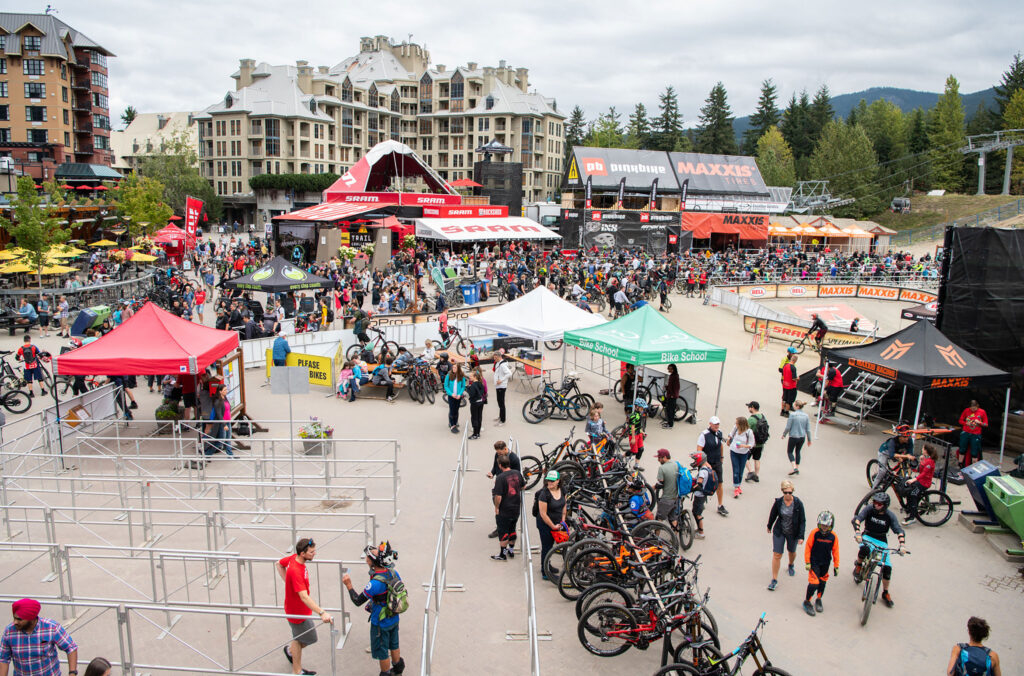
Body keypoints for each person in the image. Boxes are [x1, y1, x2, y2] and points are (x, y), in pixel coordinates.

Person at [343, 542, 405, 676]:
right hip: (394, 617)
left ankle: (386, 672)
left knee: (382, 652)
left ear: (372, 561)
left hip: (380, 622)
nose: (366, 558)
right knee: (394, 644)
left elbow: (357, 600)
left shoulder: (375, 584)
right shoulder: (393, 572)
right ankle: (398, 670)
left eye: (368, 556)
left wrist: (349, 585)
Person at [277, 537, 332, 676]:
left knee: (304, 638)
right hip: (296, 611)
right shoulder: (296, 571)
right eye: (312, 552)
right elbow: (304, 597)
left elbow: (278, 563)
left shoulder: (294, 558)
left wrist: (287, 583)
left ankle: (291, 653)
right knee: (306, 638)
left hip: (300, 609)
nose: (315, 554)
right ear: (303, 553)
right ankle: (297, 670)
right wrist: (321, 612)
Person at [852, 491, 906, 608]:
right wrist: (857, 533)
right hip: (867, 536)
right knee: (864, 549)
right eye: (875, 502)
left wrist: (902, 546)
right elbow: (858, 519)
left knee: (887, 568)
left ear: (885, 505)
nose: (876, 505)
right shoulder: (869, 509)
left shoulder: (890, 516)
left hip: (882, 542)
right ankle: (859, 565)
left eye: (879, 504)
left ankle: (885, 592)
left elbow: (899, 530)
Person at [0, 598, 79, 676]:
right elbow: (3, 659)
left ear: (31, 619)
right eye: (14, 618)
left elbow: (71, 648)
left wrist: (72, 673)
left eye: (19, 619)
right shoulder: (9, 632)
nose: (15, 622)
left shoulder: (52, 627)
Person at [766, 479, 806, 591]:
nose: (787, 495)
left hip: (793, 532)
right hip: (780, 531)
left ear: (792, 491)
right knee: (777, 554)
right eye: (785, 492)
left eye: (790, 492)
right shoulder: (779, 502)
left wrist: (801, 536)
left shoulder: (798, 503)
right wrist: (769, 525)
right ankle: (774, 579)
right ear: (782, 491)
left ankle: (791, 564)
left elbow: (802, 520)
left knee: (792, 552)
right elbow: (773, 513)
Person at [802, 511, 839, 617]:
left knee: (822, 582)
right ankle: (807, 601)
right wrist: (807, 562)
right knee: (814, 583)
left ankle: (818, 599)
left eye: (826, 526)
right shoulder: (814, 533)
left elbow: (836, 551)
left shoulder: (833, 536)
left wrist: (836, 566)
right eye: (822, 525)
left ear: (831, 525)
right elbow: (808, 547)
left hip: (826, 562)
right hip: (814, 562)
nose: (824, 528)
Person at [491, 454, 523, 561]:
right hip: (516, 508)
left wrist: (496, 508)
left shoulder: (500, 478)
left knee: (503, 532)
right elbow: (523, 486)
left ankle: (503, 554)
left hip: (505, 510)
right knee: (512, 529)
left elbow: (498, 496)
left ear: (500, 465)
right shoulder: (517, 473)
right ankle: (511, 550)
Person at [535, 470, 565, 578]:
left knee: (551, 546)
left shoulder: (562, 490)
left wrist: (563, 520)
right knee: (547, 546)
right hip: (545, 524)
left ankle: (547, 564)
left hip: (557, 523)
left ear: (558, 481)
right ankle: (545, 571)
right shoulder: (544, 494)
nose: (550, 483)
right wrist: (553, 526)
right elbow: (543, 514)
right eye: (548, 481)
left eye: (553, 481)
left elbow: (564, 505)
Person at [696, 416, 727, 516]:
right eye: (715, 424)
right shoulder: (704, 435)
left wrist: (722, 457)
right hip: (707, 463)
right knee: (704, 483)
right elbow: (699, 451)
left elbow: (721, 445)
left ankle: (720, 505)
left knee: (720, 483)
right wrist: (704, 463)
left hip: (717, 462)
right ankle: (700, 502)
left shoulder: (719, 433)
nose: (716, 426)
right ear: (710, 424)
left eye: (718, 424)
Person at [901, 444, 937, 526]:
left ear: (926, 451)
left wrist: (914, 479)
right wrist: (921, 461)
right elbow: (919, 470)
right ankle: (909, 509)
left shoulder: (930, 462)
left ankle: (912, 517)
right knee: (908, 491)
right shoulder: (925, 458)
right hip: (920, 480)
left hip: (924, 483)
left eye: (923, 448)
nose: (922, 449)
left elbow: (924, 473)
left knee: (913, 494)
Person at [781, 400, 812, 475]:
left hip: (793, 436)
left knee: (789, 452)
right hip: (802, 437)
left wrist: (784, 434)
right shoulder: (806, 416)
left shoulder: (793, 415)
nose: (793, 406)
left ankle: (794, 467)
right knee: (798, 451)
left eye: (794, 405)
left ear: (797, 406)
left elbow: (788, 427)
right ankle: (797, 468)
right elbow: (808, 429)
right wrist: (809, 439)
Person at [689, 452, 715, 539]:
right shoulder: (707, 467)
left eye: (695, 460)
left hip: (700, 495)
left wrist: (691, 489)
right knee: (696, 512)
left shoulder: (702, 472)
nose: (694, 461)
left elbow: (699, 484)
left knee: (697, 513)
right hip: (703, 495)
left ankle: (701, 532)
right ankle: (699, 529)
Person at [727, 415, 754, 499]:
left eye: (737, 423)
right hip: (734, 451)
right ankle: (736, 487)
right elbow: (731, 434)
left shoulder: (749, 432)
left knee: (741, 470)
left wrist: (743, 446)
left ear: (741, 424)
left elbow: (751, 444)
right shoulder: (735, 428)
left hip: (743, 453)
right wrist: (729, 440)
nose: (735, 424)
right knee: (736, 469)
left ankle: (738, 486)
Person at [958, 400, 988, 466]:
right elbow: (960, 420)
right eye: (971, 408)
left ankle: (974, 466)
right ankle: (960, 464)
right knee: (962, 449)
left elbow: (986, 424)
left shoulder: (982, 412)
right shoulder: (966, 410)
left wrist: (979, 422)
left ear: (977, 406)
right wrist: (966, 423)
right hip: (966, 432)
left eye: (974, 408)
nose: (973, 410)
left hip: (976, 434)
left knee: (974, 451)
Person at [745, 401, 768, 483]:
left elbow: (746, 430)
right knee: (757, 459)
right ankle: (756, 475)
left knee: (745, 458)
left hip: (752, 443)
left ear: (752, 407)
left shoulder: (751, 419)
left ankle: (751, 472)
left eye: (749, 407)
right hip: (760, 443)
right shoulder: (763, 417)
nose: (748, 409)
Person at [443, 364, 466, 434]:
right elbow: (446, 386)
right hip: (451, 396)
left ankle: (455, 422)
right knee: (452, 409)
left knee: (456, 409)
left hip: (458, 396)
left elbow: (463, 386)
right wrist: (451, 394)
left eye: (455, 367)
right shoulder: (449, 375)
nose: (453, 368)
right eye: (453, 367)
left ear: (458, 368)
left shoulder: (461, 376)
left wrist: (460, 394)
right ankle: (452, 424)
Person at [493, 352, 512, 426]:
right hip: (498, 386)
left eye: (495, 357)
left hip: (501, 386)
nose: (494, 359)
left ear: (499, 357)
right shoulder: (498, 363)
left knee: (501, 403)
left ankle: (503, 420)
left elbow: (509, 373)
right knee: (499, 402)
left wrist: (501, 380)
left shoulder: (503, 365)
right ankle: (500, 416)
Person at [466, 370, 486, 439]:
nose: (469, 377)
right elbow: (483, 391)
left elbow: (471, 394)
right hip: (481, 402)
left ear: (475, 377)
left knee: (474, 418)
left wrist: (468, 388)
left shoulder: (473, 385)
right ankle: (478, 433)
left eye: (471, 376)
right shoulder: (481, 383)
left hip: (474, 403)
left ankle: (475, 434)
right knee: (479, 417)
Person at [661, 364, 681, 429]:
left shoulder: (675, 376)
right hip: (670, 395)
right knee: (668, 409)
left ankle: (670, 424)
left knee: (671, 410)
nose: (669, 370)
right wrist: (667, 387)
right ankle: (669, 422)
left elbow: (676, 387)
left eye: (670, 369)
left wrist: (673, 395)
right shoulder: (672, 376)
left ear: (673, 369)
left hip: (672, 396)